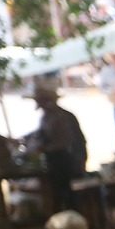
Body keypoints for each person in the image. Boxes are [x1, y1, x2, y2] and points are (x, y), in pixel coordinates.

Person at [28, 85, 88, 215]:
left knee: (68, 194)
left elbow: (64, 142)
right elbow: (40, 135)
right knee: (58, 194)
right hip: (55, 159)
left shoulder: (62, 117)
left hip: (66, 160)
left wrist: (43, 148)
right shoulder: (46, 117)